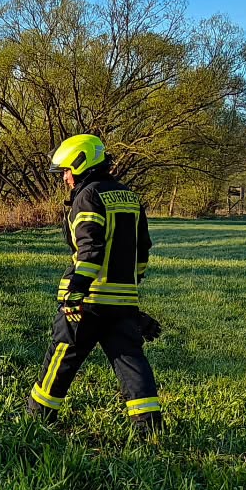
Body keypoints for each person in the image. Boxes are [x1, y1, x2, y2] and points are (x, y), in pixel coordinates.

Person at [26, 133, 163, 433]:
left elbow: (90, 250)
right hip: (124, 302)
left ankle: (38, 418)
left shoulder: (88, 196)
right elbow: (143, 250)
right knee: (130, 360)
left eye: (65, 171)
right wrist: (129, 288)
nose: (64, 178)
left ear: (80, 163)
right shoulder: (129, 196)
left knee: (62, 355)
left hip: (87, 303)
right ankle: (149, 425)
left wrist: (75, 291)